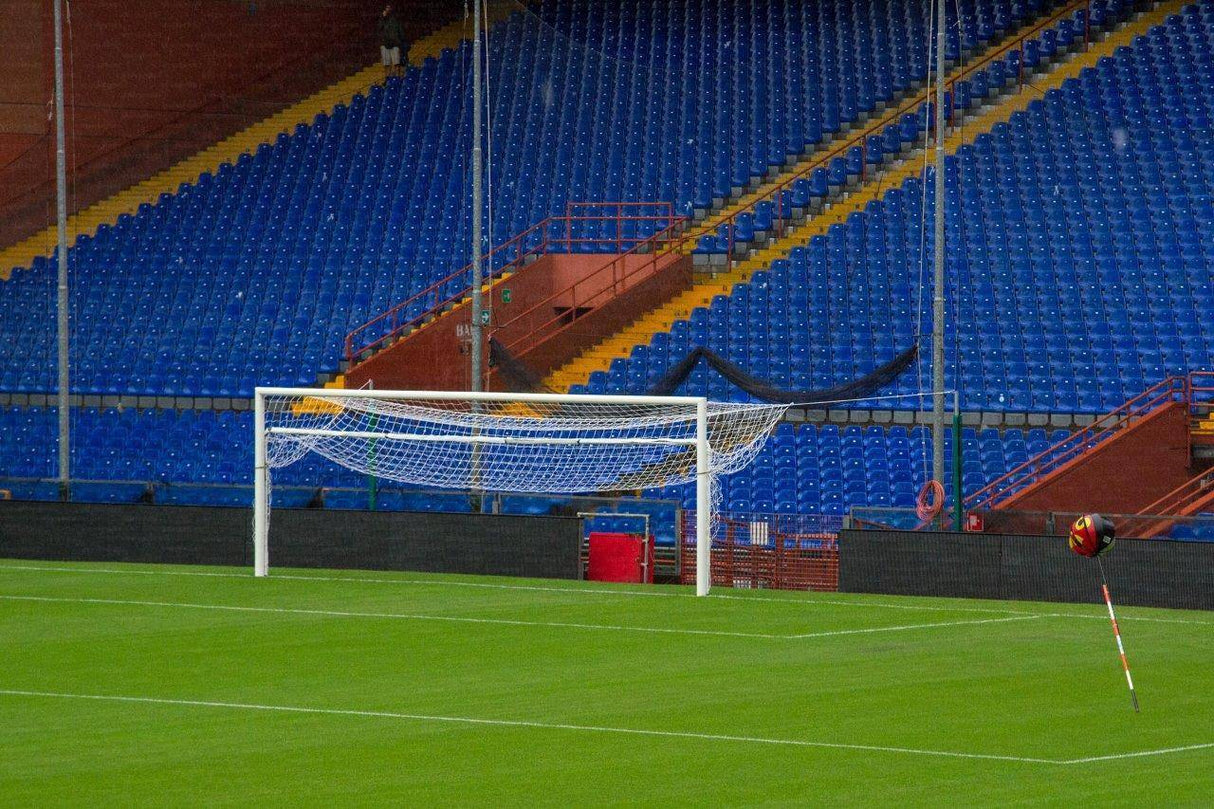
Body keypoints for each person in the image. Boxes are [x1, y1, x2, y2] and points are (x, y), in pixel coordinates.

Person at [378, 4, 404, 79]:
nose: (388, 9)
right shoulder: (382, 19)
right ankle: (387, 79)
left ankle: (397, 78)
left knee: (396, 63)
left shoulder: (396, 19)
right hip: (385, 43)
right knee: (386, 64)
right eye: (386, 8)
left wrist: (400, 41)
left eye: (389, 8)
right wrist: (383, 17)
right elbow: (379, 28)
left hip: (395, 43)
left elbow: (400, 30)